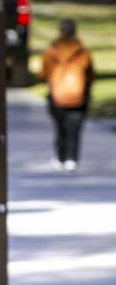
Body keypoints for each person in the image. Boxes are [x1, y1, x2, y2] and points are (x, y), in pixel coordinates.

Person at [39, 18, 93, 172]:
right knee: (74, 129)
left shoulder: (52, 51)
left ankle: (60, 157)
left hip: (57, 95)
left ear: (60, 31)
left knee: (60, 128)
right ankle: (72, 159)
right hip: (78, 96)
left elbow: (44, 73)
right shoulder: (82, 51)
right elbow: (89, 73)